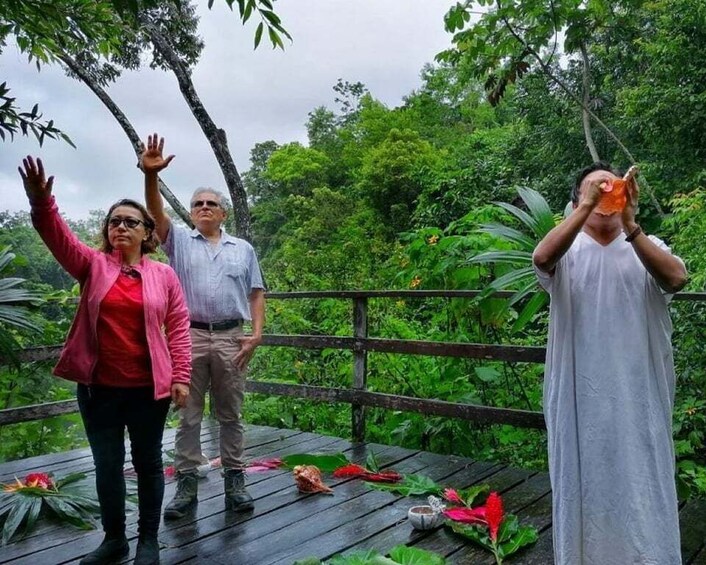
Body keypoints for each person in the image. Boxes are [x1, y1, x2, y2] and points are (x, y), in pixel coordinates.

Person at [18, 156, 192, 565]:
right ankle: (115, 539)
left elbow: (179, 327)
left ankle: (148, 540)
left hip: (149, 390)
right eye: (114, 221)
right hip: (99, 390)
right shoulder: (92, 266)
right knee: (107, 465)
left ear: (148, 232)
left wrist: (181, 377)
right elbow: (55, 235)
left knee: (148, 464)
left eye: (131, 221)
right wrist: (43, 203)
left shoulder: (163, 275)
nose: (121, 227)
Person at [532, 162, 688, 564]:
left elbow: (676, 279)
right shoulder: (567, 252)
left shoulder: (644, 245)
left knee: (642, 486)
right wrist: (585, 207)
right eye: (593, 189)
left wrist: (631, 223)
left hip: (638, 399)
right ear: (575, 202)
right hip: (578, 400)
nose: (604, 193)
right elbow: (542, 257)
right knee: (583, 489)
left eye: (611, 187)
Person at [139, 133, 266, 518]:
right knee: (188, 415)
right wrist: (151, 176)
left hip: (231, 337)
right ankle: (187, 488)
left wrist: (256, 335)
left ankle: (235, 483)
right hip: (188, 337)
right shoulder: (177, 241)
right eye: (198, 204)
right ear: (191, 212)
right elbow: (156, 214)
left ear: (222, 213)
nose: (205, 208)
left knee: (231, 413)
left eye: (211, 204)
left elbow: (257, 292)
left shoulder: (242, 249)